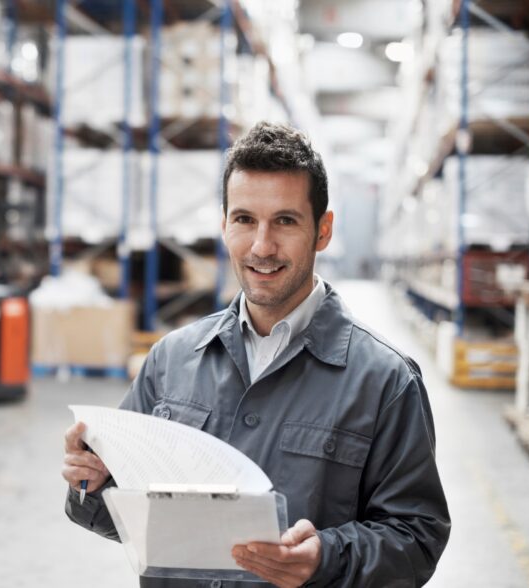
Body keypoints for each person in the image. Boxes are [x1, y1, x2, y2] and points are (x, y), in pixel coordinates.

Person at [61, 121, 450, 587]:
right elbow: (126, 519)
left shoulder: (385, 380)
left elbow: (418, 537)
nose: (262, 246)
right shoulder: (171, 361)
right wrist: (94, 482)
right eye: (245, 219)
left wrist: (326, 558)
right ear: (224, 225)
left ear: (323, 230)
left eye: (285, 221)